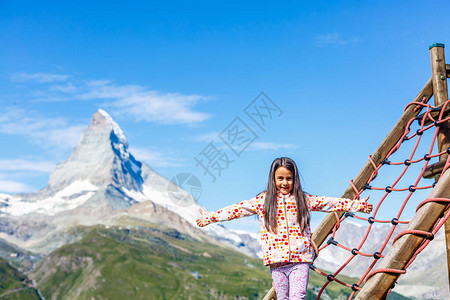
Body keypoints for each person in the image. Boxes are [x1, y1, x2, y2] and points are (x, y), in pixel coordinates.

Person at [196, 157, 373, 300]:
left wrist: (357, 205)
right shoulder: (263, 201)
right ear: (273, 179)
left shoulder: (303, 199)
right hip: (277, 262)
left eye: (289, 178)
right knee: (283, 298)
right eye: (280, 178)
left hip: (300, 259)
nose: (284, 183)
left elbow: (329, 202)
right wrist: (209, 218)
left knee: (298, 296)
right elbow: (236, 210)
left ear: (294, 179)